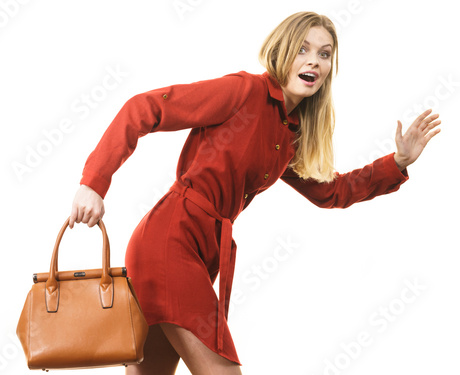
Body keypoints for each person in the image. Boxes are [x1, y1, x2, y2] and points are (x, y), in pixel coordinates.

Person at [68, 11, 441, 375]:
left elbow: (332, 192)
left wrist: (398, 162)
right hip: (170, 241)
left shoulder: (290, 133)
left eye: (324, 54)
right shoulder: (242, 90)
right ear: (281, 51)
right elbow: (145, 108)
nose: (313, 61)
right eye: (303, 49)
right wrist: (93, 183)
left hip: (202, 250)